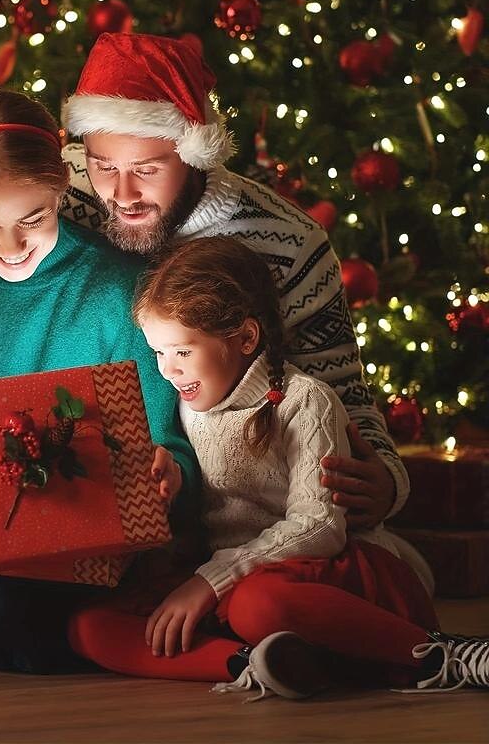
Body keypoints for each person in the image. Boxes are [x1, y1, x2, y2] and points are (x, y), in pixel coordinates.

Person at [68, 236, 488, 696]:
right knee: (89, 624)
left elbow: (319, 529)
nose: (167, 370)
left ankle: (441, 654)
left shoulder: (304, 401)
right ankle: (255, 664)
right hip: (234, 577)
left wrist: (211, 582)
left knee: (257, 606)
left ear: (246, 338)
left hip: (329, 575)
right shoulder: (189, 402)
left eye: (183, 352)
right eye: (158, 353)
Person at [0, 90, 193, 672]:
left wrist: (170, 471)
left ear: (62, 192)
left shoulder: (121, 292)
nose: (11, 248)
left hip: (94, 549)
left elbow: (168, 436)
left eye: (34, 218)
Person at [60, 31, 410, 536]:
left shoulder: (290, 243)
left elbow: (338, 392)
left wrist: (387, 479)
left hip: (242, 511)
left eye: (148, 170)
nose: (122, 194)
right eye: (103, 166)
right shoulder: (59, 197)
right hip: (96, 485)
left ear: (194, 155)